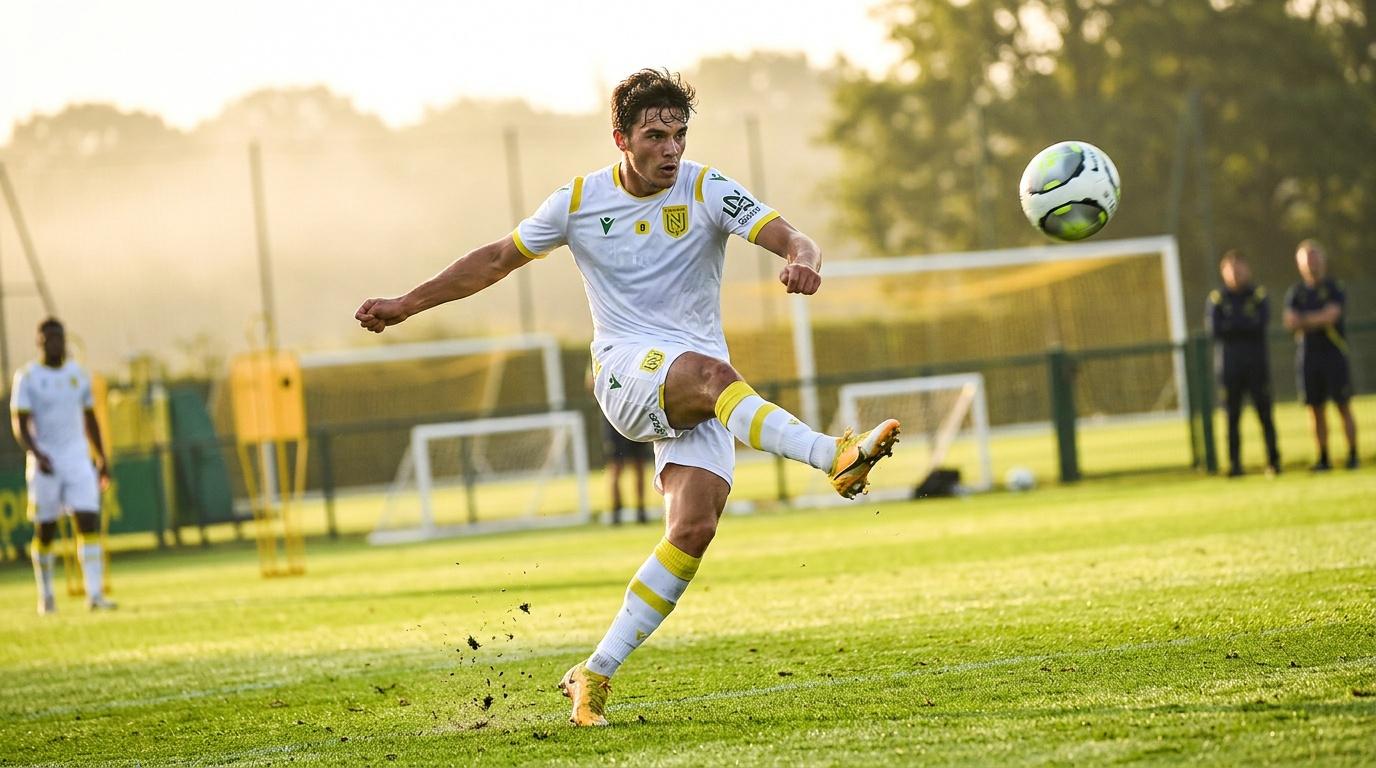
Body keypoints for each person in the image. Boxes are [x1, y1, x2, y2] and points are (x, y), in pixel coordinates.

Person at [355, 69, 900, 726]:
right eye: (654, 135)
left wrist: (803, 259)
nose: (670, 149)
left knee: (693, 528)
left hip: (695, 390)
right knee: (712, 375)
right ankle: (833, 457)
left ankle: (594, 673)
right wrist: (407, 304)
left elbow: (792, 236)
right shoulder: (579, 201)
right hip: (626, 374)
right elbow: (497, 258)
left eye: (678, 133)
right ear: (621, 139)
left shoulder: (706, 186)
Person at [10, 318, 114, 613]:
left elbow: (90, 417)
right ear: (39, 342)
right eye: (50, 338)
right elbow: (20, 422)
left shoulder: (77, 374)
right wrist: (36, 452)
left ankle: (94, 595)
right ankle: (46, 595)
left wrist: (101, 456)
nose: (56, 343)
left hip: (77, 459)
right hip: (45, 462)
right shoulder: (28, 377)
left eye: (60, 338)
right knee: (46, 529)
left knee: (88, 520)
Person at [1283, 239, 1358, 470]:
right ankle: (1323, 458)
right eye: (1306, 259)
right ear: (1299, 264)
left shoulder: (1334, 287)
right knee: (1315, 409)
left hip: (1333, 354)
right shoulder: (1295, 292)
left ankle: (1353, 455)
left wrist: (1305, 320)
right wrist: (1316, 318)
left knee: (1343, 405)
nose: (1311, 263)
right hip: (1308, 356)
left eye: (1314, 257)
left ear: (1322, 260)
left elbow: (1331, 315)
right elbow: (1290, 321)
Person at [1206, 251, 1280, 476]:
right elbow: (1215, 331)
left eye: (1240, 269)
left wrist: (1234, 325)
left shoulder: (1258, 295)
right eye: (1232, 270)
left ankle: (1274, 462)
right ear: (1224, 272)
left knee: (1265, 415)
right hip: (1229, 369)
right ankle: (1235, 465)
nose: (1236, 274)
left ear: (1247, 269)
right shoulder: (1217, 299)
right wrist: (1244, 324)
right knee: (1231, 418)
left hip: (1256, 367)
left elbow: (1260, 324)